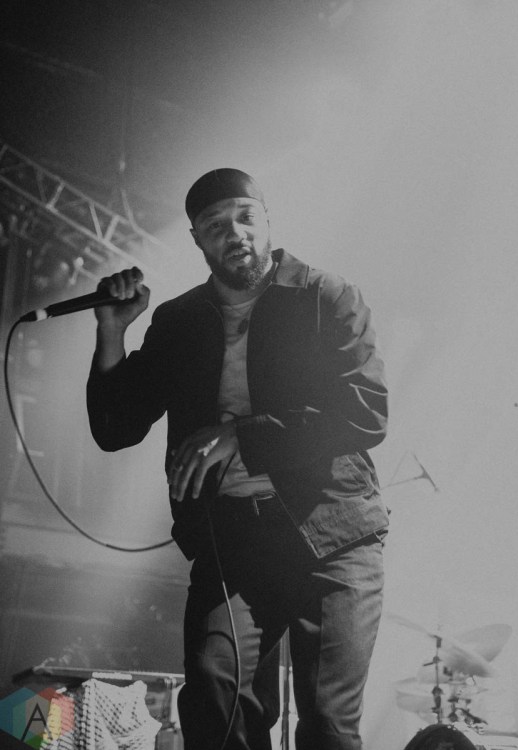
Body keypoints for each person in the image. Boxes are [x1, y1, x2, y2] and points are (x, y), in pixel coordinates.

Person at [86, 168, 389, 750]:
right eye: (215, 225)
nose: (236, 233)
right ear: (197, 240)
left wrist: (241, 436)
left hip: (334, 535)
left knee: (327, 723)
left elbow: (364, 413)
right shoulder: (178, 322)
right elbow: (114, 428)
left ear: (267, 221)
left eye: (246, 217)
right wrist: (111, 334)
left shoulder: (325, 296)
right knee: (214, 699)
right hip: (235, 542)